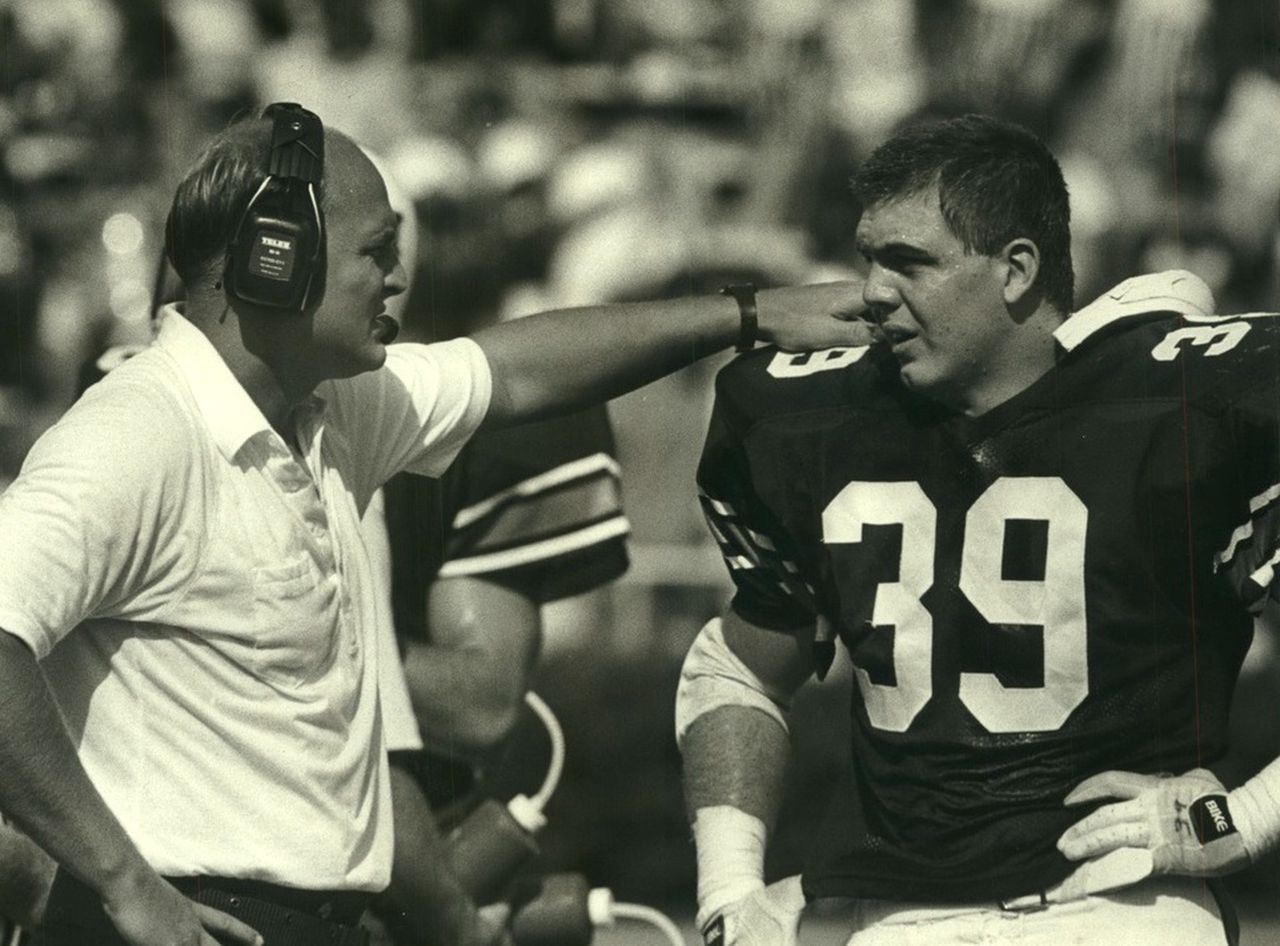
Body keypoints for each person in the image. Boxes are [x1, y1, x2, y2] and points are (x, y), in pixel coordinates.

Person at [0, 103, 867, 946]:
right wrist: (122, 883)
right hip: (192, 913)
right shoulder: (139, 432)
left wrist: (747, 316)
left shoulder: (329, 408)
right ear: (275, 261)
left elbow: (517, 370)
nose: (399, 279)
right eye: (377, 253)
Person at [678, 112, 1280, 946]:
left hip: (1122, 908)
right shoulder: (819, 418)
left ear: (1016, 271)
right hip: (903, 917)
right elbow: (736, 667)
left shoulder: (1178, 404)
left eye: (909, 263)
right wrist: (731, 889)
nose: (871, 292)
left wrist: (1245, 815)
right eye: (869, 260)